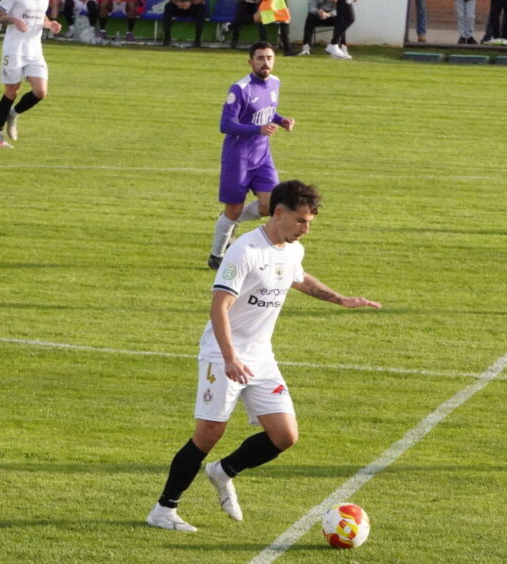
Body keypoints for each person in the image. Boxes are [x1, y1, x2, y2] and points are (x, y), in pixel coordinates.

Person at [147, 180, 382, 532]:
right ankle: (163, 509)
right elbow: (219, 308)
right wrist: (229, 358)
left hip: (261, 357)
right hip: (222, 354)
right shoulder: (244, 251)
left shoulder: (291, 250)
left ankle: (222, 471)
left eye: (309, 223)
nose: (305, 229)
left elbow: (298, 278)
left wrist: (341, 299)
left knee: (284, 436)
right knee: (209, 433)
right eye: (301, 221)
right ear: (280, 212)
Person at [208, 42, 294, 270]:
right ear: (250, 62)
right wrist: (258, 129)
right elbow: (225, 124)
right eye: (260, 58)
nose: (265, 62)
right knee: (234, 208)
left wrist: (280, 120)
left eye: (269, 58)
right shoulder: (240, 89)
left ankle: (230, 221)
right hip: (238, 158)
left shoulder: (275, 83)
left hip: (262, 156)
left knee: (271, 205)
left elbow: (267, 110)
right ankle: (216, 255)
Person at [0, 0, 61, 149]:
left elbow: (39, 16)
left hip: (34, 51)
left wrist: (49, 24)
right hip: (14, 49)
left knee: (40, 92)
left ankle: (13, 114)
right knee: (11, 92)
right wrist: (13, 19)